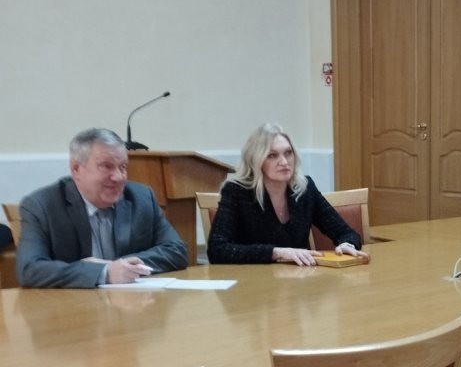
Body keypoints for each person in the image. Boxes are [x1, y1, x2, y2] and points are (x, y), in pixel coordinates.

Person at [16, 128, 188, 288]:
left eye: (123, 167)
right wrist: (104, 272)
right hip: (73, 306)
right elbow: (30, 269)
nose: (118, 177)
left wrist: (122, 267)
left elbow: (176, 250)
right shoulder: (42, 205)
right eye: (107, 166)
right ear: (76, 168)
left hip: (133, 304)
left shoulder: (141, 198)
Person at [207, 123, 370, 265]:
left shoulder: (305, 188)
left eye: (288, 153)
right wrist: (277, 253)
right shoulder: (236, 192)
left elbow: (346, 233)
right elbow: (217, 250)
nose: (284, 162)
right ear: (256, 160)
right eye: (272, 155)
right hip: (253, 283)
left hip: (299, 281)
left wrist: (347, 244)